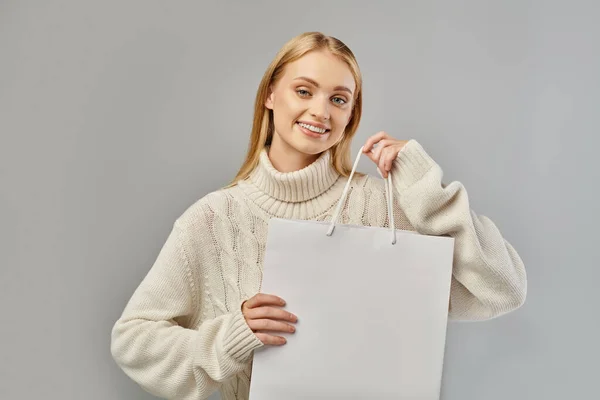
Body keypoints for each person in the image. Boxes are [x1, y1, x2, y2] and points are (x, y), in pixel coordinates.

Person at [110, 31, 527, 400]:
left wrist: (426, 190)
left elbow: (503, 288)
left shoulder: (383, 208)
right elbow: (133, 342)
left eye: (339, 99)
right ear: (271, 95)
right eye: (304, 91)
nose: (321, 112)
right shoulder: (214, 219)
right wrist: (231, 338)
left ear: (351, 116)